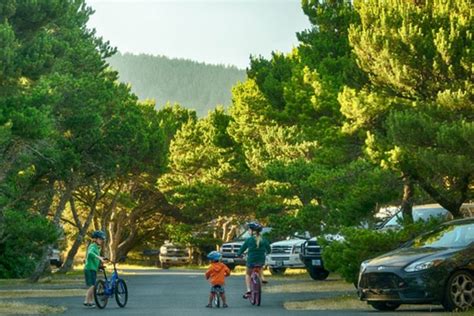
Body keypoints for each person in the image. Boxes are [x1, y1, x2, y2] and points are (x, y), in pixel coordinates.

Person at [237, 221, 271, 298]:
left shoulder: (249, 240)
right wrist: (267, 252)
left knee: (248, 274)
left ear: (252, 231)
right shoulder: (264, 239)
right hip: (261, 259)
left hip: (251, 260)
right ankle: (262, 277)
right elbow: (269, 249)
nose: (248, 231)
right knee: (260, 266)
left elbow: (242, 249)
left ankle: (248, 290)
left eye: (249, 230)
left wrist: (238, 254)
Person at [83, 230, 107, 307]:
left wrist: (100, 263)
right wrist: (98, 257)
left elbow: (95, 258)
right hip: (89, 268)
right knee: (92, 286)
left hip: (93, 269)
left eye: (102, 239)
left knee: (92, 286)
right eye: (100, 239)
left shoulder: (97, 248)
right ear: (95, 239)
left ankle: (89, 301)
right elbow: (90, 253)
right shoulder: (92, 246)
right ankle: (88, 301)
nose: (101, 241)